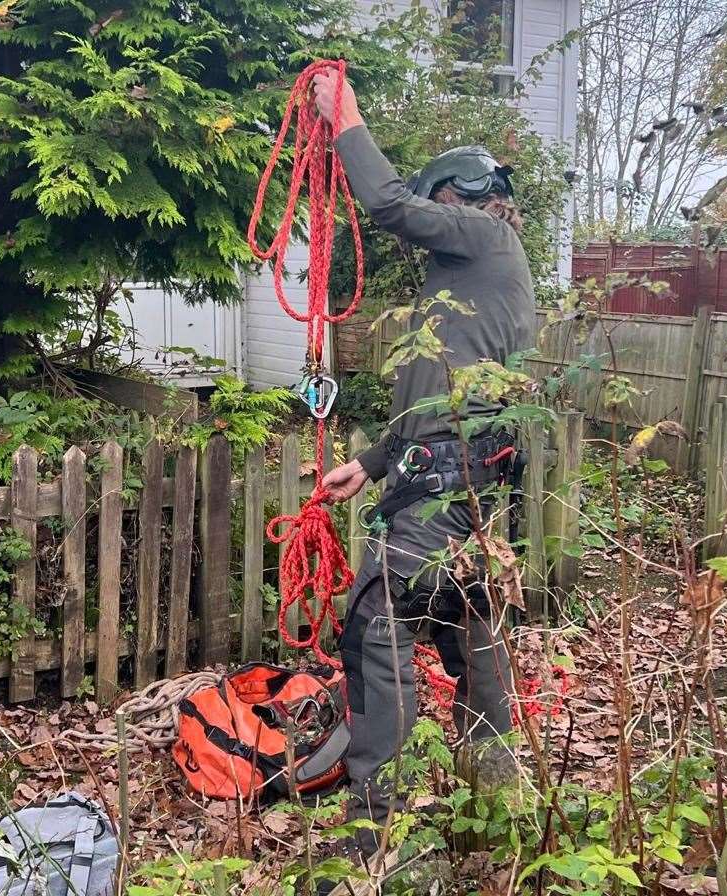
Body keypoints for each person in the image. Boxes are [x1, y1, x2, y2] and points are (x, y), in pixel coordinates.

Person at [309, 70, 535, 861]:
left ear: (458, 197)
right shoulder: (467, 283)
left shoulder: (487, 237)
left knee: (380, 624)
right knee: (469, 635)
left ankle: (373, 839)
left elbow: (391, 206)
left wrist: (346, 122)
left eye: (442, 203)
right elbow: (436, 398)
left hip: (446, 492)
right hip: (456, 483)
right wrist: (370, 464)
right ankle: (498, 809)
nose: (434, 219)